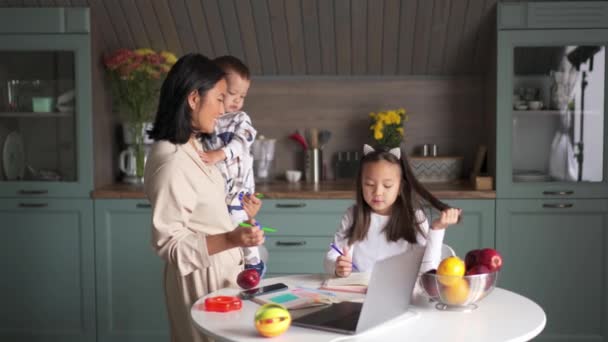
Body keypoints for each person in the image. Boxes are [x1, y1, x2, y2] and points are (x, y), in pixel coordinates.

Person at [144, 53, 265, 342]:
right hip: (201, 282)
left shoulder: (194, 146)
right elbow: (169, 243)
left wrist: (244, 221)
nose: (225, 109)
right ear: (194, 98)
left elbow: (208, 212)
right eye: (220, 99)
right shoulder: (173, 160)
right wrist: (231, 240)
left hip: (220, 278)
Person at [324, 144, 462, 277]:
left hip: (401, 295)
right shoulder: (352, 215)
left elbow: (428, 271)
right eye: (369, 184)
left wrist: (437, 229)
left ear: (399, 188)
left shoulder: (415, 217)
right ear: (360, 184)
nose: (378, 192)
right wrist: (337, 266)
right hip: (358, 294)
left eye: (387, 185)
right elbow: (332, 256)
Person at [197, 55, 266, 277]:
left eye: (242, 96)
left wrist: (221, 153)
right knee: (230, 230)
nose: (237, 101)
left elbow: (242, 141)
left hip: (239, 188)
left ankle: (253, 263)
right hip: (221, 192)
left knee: (242, 223)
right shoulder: (208, 122)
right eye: (232, 94)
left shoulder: (240, 119)